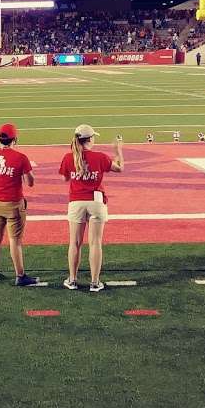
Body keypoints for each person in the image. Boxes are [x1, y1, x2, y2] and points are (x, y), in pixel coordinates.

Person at [59, 124, 124, 292]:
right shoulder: (100, 157)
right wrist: (118, 151)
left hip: (76, 202)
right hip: (96, 201)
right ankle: (95, 282)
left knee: (75, 243)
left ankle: (72, 279)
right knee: (95, 243)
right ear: (89, 139)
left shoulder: (68, 157)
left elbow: (65, 178)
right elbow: (120, 168)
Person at [0, 123, 38, 286]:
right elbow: (30, 183)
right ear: (15, 139)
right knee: (15, 241)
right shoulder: (20, 157)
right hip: (13, 204)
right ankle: (20, 276)